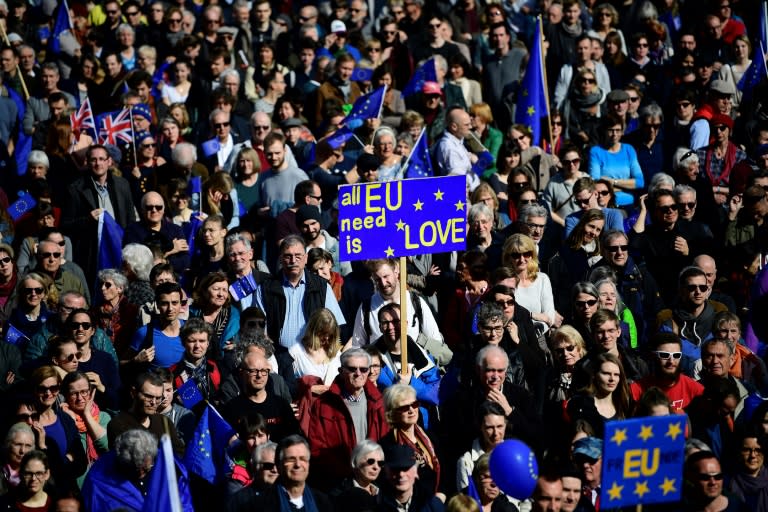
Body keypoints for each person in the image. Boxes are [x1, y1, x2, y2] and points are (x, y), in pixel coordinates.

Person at [308, 348, 389, 490]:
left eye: (363, 369)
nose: (358, 374)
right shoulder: (323, 404)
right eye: (352, 369)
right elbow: (317, 448)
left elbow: (386, 441)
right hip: (339, 484)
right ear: (341, 371)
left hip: (374, 480)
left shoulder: (379, 402)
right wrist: (349, 473)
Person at [61, 144, 135, 283]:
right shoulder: (75, 189)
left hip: (119, 250)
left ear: (109, 162)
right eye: (94, 159)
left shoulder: (122, 185)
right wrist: (87, 220)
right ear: (87, 162)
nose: (98, 163)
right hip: (91, 254)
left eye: (102, 159)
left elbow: (130, 220)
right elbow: (65, 225)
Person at [259, 235, 346, 349]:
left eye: (298, 256)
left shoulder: (322, 287)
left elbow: (335, 325)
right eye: (288, 256)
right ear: (280, 258)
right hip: (277, 357)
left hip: (314, 356)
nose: (293, 260)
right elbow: (258, 328)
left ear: (305, 258)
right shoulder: (266, 288)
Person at [82, 429, 193, 511]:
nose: (142, 474)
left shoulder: (165, 462)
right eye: (136, 469)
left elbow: (183, 500)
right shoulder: (97, 480)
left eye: (147, 468)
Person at [226, 434, 335, 512]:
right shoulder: (251, 504)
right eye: (291, 459)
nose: (298, 464)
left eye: (303, 459)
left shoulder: (323, 502)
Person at [27, 366, 87, 492]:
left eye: (53, 388)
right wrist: (66, 459)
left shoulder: (65, 419)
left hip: (68, 492)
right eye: (42, 389)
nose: (48, 393)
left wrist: (59, 465)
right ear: (34, 390)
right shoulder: (30, 424)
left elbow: (82, 463)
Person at [219, 351, 301, 442]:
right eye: (253, 371)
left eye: (263, 371)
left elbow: (295, 439)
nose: (259, 375)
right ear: (242, 373)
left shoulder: (281, 405)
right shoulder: (232, 408)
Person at [59, 371, 110, 487]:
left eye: (84, 392)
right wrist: (69, 422)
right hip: (78, 486)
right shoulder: (61, 420)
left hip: (104, 483)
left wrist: (87, 414)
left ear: (91, 392)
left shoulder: (103, 417)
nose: (80, 398)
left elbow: (106, 446)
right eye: (74, 393)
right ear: (66, 395)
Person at [630, 332, 703, 412]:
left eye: (676, 355)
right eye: (664, 355)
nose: (671, 361)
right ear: (653, 356)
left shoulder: (694, 389)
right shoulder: (636, 390)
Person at [588, 114, 644, 207]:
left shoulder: (629, 149)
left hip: (629, 204)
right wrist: (627, 186)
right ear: (604, 131)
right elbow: (596, 184)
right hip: (607, 206)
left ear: (622, 131)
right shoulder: (596, 151)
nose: (614, 134)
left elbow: (640, 182)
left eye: (618, 130)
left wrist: (612, 182)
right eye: (611, 130)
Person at [127, 282, 186, 369]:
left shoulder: (190, 329)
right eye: (164, 303)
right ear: (157, 305)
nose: (170, 308)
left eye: (174, 303)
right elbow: (122, 363)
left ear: (181, 304)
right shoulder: (144, 332)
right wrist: (135, 360)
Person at [169, 318, 223, 405]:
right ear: (183, 343)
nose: (197, 346)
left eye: (202, 341)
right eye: (192, 341)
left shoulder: (218, 368)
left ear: (208, 344)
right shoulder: (172, 373)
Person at [188, 271, 240, 356]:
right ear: (204, 291)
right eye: (216, 289)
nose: (221, 294)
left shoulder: (234, 316)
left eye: (224, 290)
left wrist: (236, 345)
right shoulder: (190, 313)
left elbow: (241, 342)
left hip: (223, 363)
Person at [682, 450, 748, 511]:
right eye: (705, 477)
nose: (713, 482)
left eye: (718, 476)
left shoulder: (739, 508)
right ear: (691, 478)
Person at [93, 269, 137, 359]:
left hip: (125, 358)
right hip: (102, 357)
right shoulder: (95, 312)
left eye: (108, 285)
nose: (103, 288)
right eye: (101, 284)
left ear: (120, 288)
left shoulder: (132, 311)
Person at [328, 440, 384, 511]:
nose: (376, 467)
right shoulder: (338, 494)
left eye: (380, 463)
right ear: (356, 461)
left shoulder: (385, 494)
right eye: (370, 461)